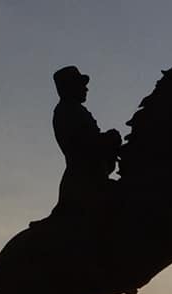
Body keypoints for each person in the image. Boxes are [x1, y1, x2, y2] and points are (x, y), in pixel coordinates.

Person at [49, 65, 121, 220]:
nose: (86, 89)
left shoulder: (74, 110)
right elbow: (83, 145)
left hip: (91, 178)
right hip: (84, 182)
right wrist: (108, 139)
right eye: (81, 85)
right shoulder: (67, 111)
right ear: (70, 87)